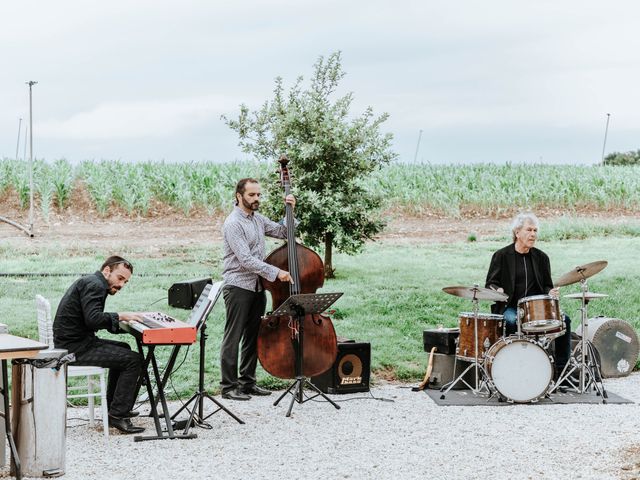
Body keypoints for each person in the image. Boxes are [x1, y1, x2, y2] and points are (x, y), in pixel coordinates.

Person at [220, 177, 294, 401]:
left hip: (257, 286)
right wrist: (276, 272)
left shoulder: (257, 219)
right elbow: (245, 260)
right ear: (239, 196)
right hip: (238, 286)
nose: (256, 199)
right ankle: (228, 387)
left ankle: (247, 383)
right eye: (252, 195)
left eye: (258, 195)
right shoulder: (233, 223)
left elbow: (282, 232)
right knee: (233, 336)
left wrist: (290, 210)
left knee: (253, 335)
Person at [53, 256, 145, 434]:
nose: (121, 285)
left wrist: (121, 322)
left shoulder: (93, 282)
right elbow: (93, 319)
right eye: (120, 278)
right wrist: (121, 316)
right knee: (133, 360)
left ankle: (114, 407)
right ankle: (118, 415)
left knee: (124, 349)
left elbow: (90, 320)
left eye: (125, 281)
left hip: (76, 343)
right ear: (107, 271)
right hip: (73, 350)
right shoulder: (95, 285)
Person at [485, 212, 571, 377]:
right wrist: (497, 290)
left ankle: (561, 372)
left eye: (535, 230)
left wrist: (550, 292)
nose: (533, 234)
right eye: (529, 230)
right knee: (510, 321)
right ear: (517, 233)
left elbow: (546, 285)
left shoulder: (542, 258)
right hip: (509, 306)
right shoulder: (501, 256)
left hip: (536, 310)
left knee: (564, 320)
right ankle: (509, 369)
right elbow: (490, 283)